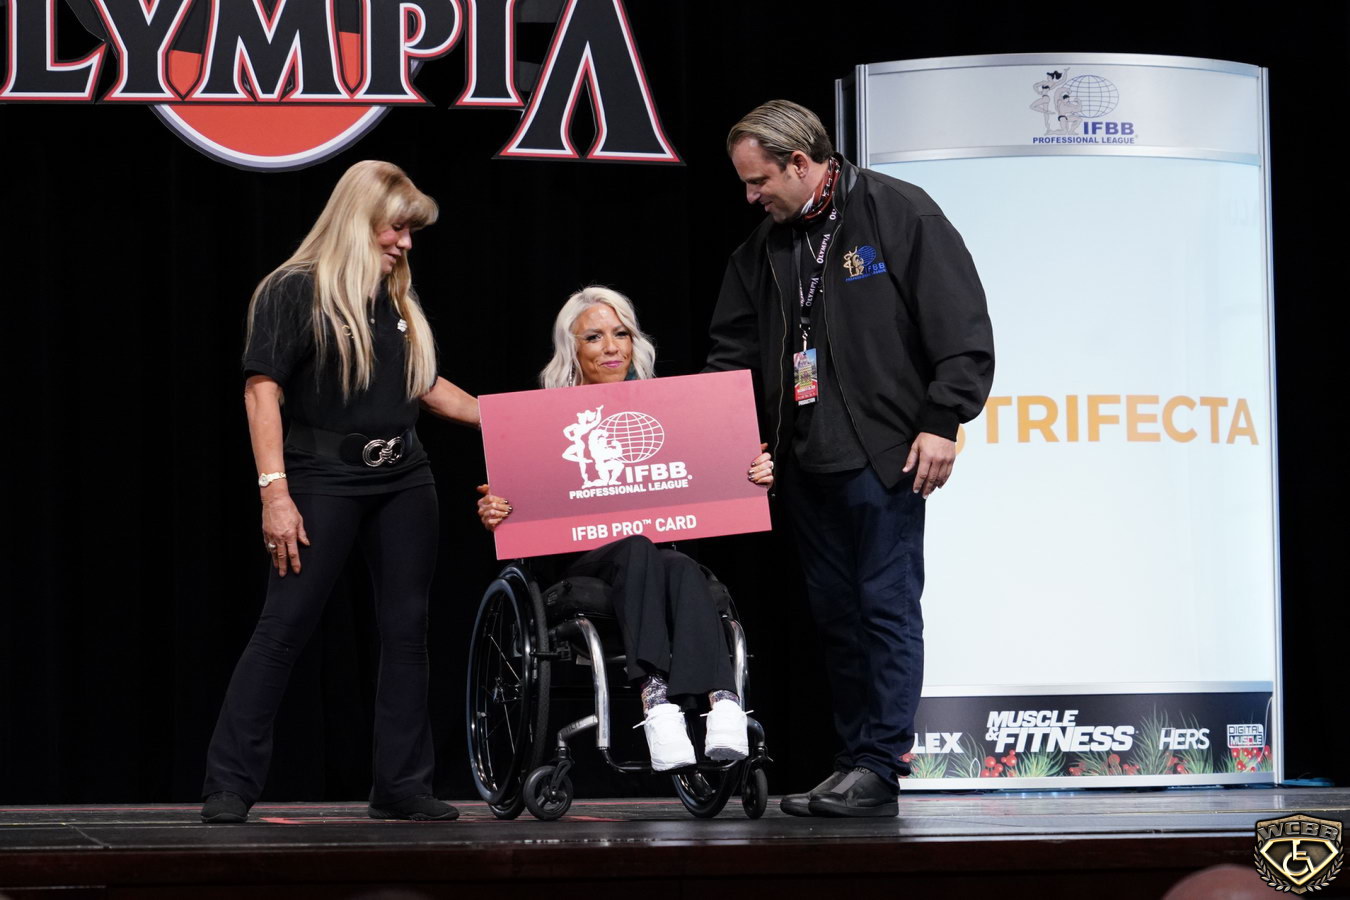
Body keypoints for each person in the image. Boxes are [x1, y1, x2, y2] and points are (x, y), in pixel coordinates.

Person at [706, 101, 994, 817]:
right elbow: (730, 354)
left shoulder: (898, 212)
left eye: (759, 181)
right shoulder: (763, 249)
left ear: (801, 162)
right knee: (837, 619)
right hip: (805, 462)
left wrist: (942, 419)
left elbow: (960, 323)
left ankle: (880, 766)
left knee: (884, 611)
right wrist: (736, 440)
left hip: (884, 454)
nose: (751, 197)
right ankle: (852, 762)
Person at [200, 161, 479, 824]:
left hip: (404, 478)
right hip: (323, 477)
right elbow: (261, 392)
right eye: (396, 228)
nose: (405, 243)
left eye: (410, 232)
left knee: (407, 629)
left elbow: (427, 388)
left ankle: (401, 785)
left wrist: (517, 420)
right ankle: (228, 784)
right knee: (285, 625)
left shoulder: (395, 298)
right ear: (358, 219)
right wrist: (275, 494)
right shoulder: (293, 289)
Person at [476, 286, 775, 771]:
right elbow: (517, 502)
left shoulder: (668, 410)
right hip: (581, 563)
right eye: (594, 337)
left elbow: (716, 472)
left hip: (652, 557)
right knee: (640, 548)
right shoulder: (541, 418)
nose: (611, 347)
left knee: (681, 565)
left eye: (621, 334)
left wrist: (752, 474)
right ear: (572, 349)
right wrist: (498, 509)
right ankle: (655, 702)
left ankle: (724, 704)